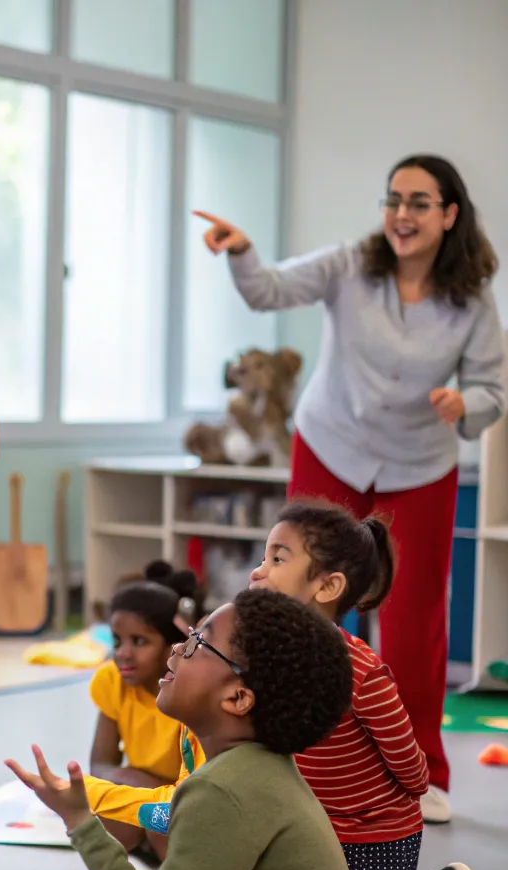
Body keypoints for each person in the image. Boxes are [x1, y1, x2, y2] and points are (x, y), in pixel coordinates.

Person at [195, 154, 506, 823]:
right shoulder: (348, 266)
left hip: (418, 463)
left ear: (450, 215)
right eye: (394, 199)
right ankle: (288, 749)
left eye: (420, 202)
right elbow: (268, 291)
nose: (402, 214)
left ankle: (422, 771)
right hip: (332, 444)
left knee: (414, 612)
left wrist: (466, 402)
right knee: (297, 599)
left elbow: (493, 390)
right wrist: (243, 251)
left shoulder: (471, 299)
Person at [0, 588, 360, 870]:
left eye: (199, 642)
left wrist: (80, 821)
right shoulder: (253, 768)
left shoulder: (223, 790)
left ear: (237, 699)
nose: (179, 647)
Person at [248, 502, 483, 870]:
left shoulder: (360, 669)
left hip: (377, 828)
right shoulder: (261, 655)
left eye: (277, 558)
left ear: (328, 586)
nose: (258, 571)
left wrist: (406, 792)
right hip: (310, 822)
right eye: (263, 556)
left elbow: (413, 772)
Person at [84, 561, 198, 861]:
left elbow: (201, 791)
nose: (122, 652)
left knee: (163, 820)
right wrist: (133, 780)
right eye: (117, 640)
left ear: (172, 646)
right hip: (148, 798)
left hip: (184, 807)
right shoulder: (112, 681)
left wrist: (147, 790)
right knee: (105, 811)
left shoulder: (192, 693)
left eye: (139, 641)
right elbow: (100, 766)